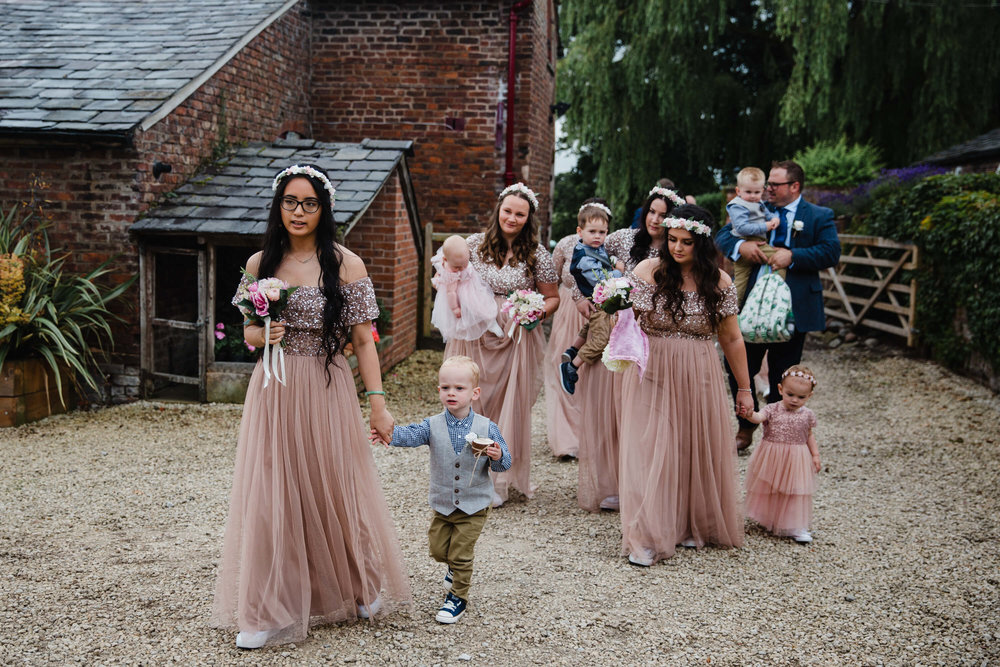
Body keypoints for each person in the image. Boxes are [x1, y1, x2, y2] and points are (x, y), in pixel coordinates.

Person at [211, 164, 411, 649]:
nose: (298, 212)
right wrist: (265, 332)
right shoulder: (261, 263)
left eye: (309, 203)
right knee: (273, 492)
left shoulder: (347, 264)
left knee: (331, 485)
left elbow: (364, 341)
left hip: (327, 385)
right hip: (274, 387)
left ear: (324, 209)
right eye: (290, 202)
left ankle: (356, 587)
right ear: (278, 207)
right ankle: (266, 609)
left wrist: (378, 405)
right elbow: (247, 333)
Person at [619, 204, 754, 566]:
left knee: (693, 445)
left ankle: (693, 524)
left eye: (687, 242)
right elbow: (629, 322)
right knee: (651, 447)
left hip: (699, 367)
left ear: (703, 243)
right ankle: (648, 534)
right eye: (673, 240)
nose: (677, 248)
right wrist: (614, 301)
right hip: (654, 367)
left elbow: (732, 338)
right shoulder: (649, 270)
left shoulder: (720, 282)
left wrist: (744, 388)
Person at [444, 183, 559, 507]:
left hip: (515, 339)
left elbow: (554, 298)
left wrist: (536, 311)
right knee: (471, 405)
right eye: (508, 211)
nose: (512, 217)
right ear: (498, 210)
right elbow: (450, 278)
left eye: (520, 214)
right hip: (475, 337)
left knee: (506, 408)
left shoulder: (538, 254)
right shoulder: (474, 245)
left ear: (528, 219)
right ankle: (465, 477)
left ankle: (497, 479)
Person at [372, 356, 511, 624]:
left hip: (474, 505)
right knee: (438, 550)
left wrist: (496, 454)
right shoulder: (432, 425)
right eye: (446, 387)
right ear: (439, 391)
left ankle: (457, 597)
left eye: (459, 388)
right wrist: (388, 435)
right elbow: (410, 435)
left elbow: (504, 463)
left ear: (474, 393)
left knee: (461, 553)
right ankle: (452, 567)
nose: (451, 393)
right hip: (443, 503)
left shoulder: (487, 427)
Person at [715, 160, 840, 452]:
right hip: (752, 301)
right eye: (767, 184)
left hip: (792, 306)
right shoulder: (755, 204)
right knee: (738, 368)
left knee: (783, 374)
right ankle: (745, 428)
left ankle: (776, 433)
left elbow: (831, 251)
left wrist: (792, 255)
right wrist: (740, 247)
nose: (767, 189)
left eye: (774, 185)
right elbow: (724, 235)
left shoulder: (819, 215)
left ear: (794, 186)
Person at [572, 186, 681, 514]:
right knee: (615, 415)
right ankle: (615, 483)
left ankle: (646, 482)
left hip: (656, 335)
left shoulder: (680, 247)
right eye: (652, 212)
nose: (656, 219)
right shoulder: (623, 239)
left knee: (647, 414)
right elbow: (580, 253)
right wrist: (582, 297)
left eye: (663, 215)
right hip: (617, 332)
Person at [743, 365, 822, 544]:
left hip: (796, 457)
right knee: (771, 487)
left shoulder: (807, 415)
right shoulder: (773, 408)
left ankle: (795, 525)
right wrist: (749, 415)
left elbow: (809, 435)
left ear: (809, 396)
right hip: (772, 455)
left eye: (801, 397)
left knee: (795, 491)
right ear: (780, 389)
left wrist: (815, 455)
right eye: (790, 394)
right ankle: (770, 517)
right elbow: (758, 417)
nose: (794, 400)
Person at [558, 201, 624, 395]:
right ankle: (572, 367)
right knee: (602, 338)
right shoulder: (584, 257)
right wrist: (619, 272)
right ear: (580, 231)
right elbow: (601, 280)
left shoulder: (594, 248)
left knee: (590, 327)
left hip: (598, 302)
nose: (598, 236)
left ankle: (572, 349)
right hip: (597, 299)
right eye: (592, 231)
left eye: (602, 232)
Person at [430, 234, 504, 341]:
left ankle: (491, 321)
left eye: (464, 264)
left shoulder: (459, 256)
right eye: (457, 267)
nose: (462, 268)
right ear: (445, 259)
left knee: (484, 302)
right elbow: (451, 293)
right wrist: (455, 308)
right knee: (473, 307)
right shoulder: (450, 273)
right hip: (460, 291)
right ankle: (488, 323)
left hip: (473, 285)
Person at [727, 167, 783, 303]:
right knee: (779, 260)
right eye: (748, 192)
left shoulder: (759, 203)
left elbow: (768, 215)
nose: (753, 196)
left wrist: (775, 219)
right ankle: (781, 294)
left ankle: (732, 308)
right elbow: (741, 228)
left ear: (762, 191)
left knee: (741, 280)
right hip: (748, 240)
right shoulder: (737, 205)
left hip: (758, 240)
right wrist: (766, 226)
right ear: (738, 191)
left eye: (757, 192)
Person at [630, 178, 696, 229]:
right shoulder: (641, 211)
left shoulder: (676, 216)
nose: (654, 220)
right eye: (652, 212)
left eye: (663, 216)